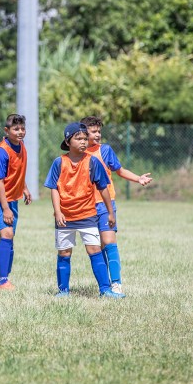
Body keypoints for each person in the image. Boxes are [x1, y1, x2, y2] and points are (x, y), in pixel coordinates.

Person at [43, 122, 125, 298]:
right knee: (64, 253)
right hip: (65, 217)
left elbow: (103, 188)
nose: (83, 142)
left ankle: (105, 289)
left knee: (95, 250)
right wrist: (57, 211)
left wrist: (110, 212)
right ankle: (63, 291)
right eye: (78, 138)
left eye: (84, 138)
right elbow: (53, 188)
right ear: (67, 141)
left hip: (88, 215)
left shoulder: (93, 162)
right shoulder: (59, 162)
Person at [80, 116, 152, 295]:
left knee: (108, 241)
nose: (97, 135)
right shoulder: (77, 154)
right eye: (93, 132)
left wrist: (138, 178)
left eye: (99, 132)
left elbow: (119, 170)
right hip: (85, 206)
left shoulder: (105, 150)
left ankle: (116, 284)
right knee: (96, 246)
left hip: (105, 204)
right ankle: (104, 285)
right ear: (83, 133)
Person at [0, 114, 31, 290]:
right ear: (6, 130)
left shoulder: (21, 145)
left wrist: (24, 187)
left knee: (10, 235)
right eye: (16, 129)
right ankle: (3, 281)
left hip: (12, 197)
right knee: (7, 234)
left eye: (22, 128)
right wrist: (5, 209)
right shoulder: (1, 151)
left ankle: (6, 278)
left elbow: (16, 172)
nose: (20, 132)